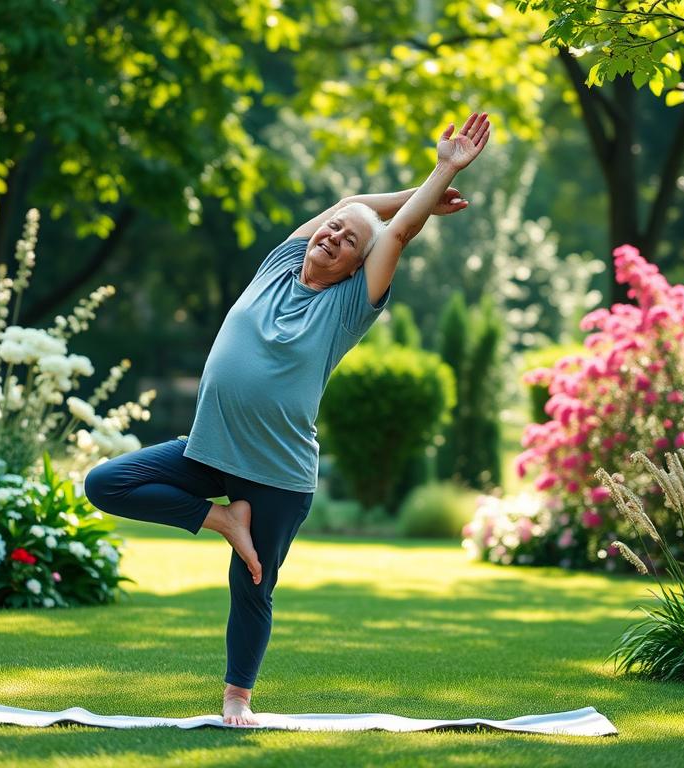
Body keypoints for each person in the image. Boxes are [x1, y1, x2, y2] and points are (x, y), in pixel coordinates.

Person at [83, 111, 491, 725]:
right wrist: (423, 190)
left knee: (252, 586)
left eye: (349, 241)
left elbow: (396, 235)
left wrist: (443, 173)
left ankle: (237, 699)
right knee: (104, 484)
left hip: (276, 473)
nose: (333, 237)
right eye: (330, 230)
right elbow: (352, 203)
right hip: (209, 448)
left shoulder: (351, 304)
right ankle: (223, 518)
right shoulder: (278, 264)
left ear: (360, 265)